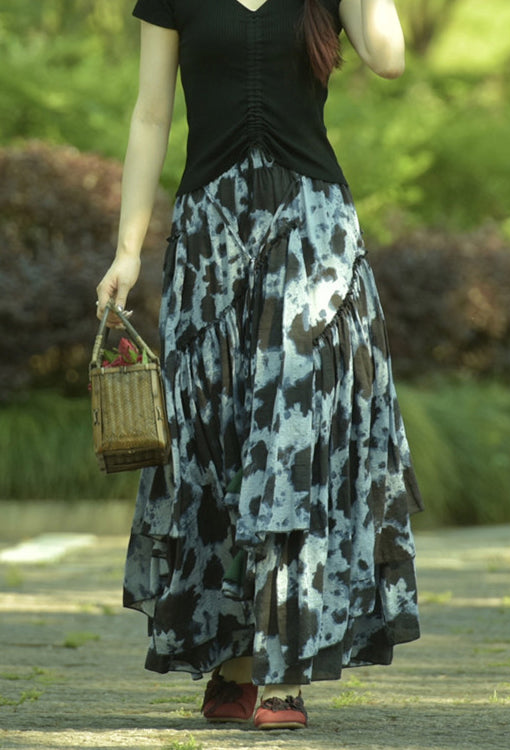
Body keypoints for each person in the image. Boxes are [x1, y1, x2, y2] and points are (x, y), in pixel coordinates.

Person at [96, 0, 423, 731]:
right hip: (209, 239)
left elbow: (389, 58)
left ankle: (285, 670)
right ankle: (235, 658)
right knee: (213, 444)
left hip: (313, 236)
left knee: (290, 440)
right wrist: (127, 250)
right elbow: (151, 114)